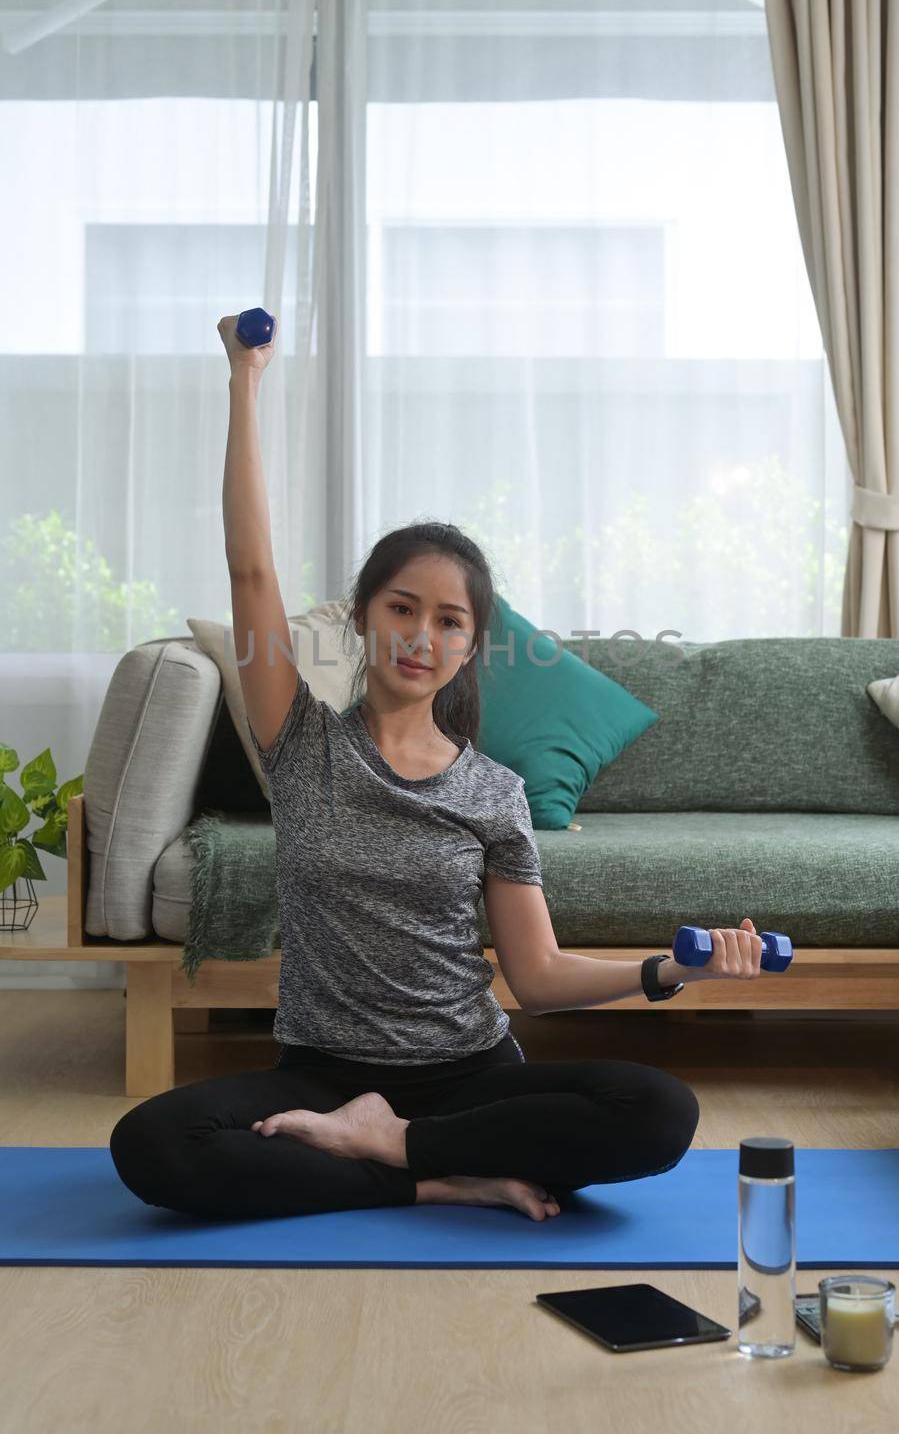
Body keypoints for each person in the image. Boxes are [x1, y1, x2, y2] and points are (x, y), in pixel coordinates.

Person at [108, 311, 706, 1225]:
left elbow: (536, 977)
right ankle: (438, 1176)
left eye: (450, 621)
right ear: (362, 617)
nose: (422, 636)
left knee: (659, 1112)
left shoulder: (493, 794)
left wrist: (663, 972)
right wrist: (244, 381)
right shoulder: (303, 744)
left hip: (469, 1072)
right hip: (321, 1075)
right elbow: (251, 570)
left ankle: (394, 1149)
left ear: (471, 646)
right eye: (401, 608)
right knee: (151, 1148)